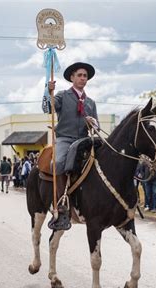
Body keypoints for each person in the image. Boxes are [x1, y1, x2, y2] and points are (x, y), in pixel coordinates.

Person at [46, 62, 99, 229]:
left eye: (85, 76)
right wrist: (49, 93)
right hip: (65, 138)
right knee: (58, 163)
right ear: (72, 78)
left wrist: (93, 123)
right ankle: (62, 204)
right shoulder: (62, 95)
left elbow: (97, 127)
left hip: (84, 139)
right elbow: (47, 107)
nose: (83, 78)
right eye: (80, 75)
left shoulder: (90, 102)